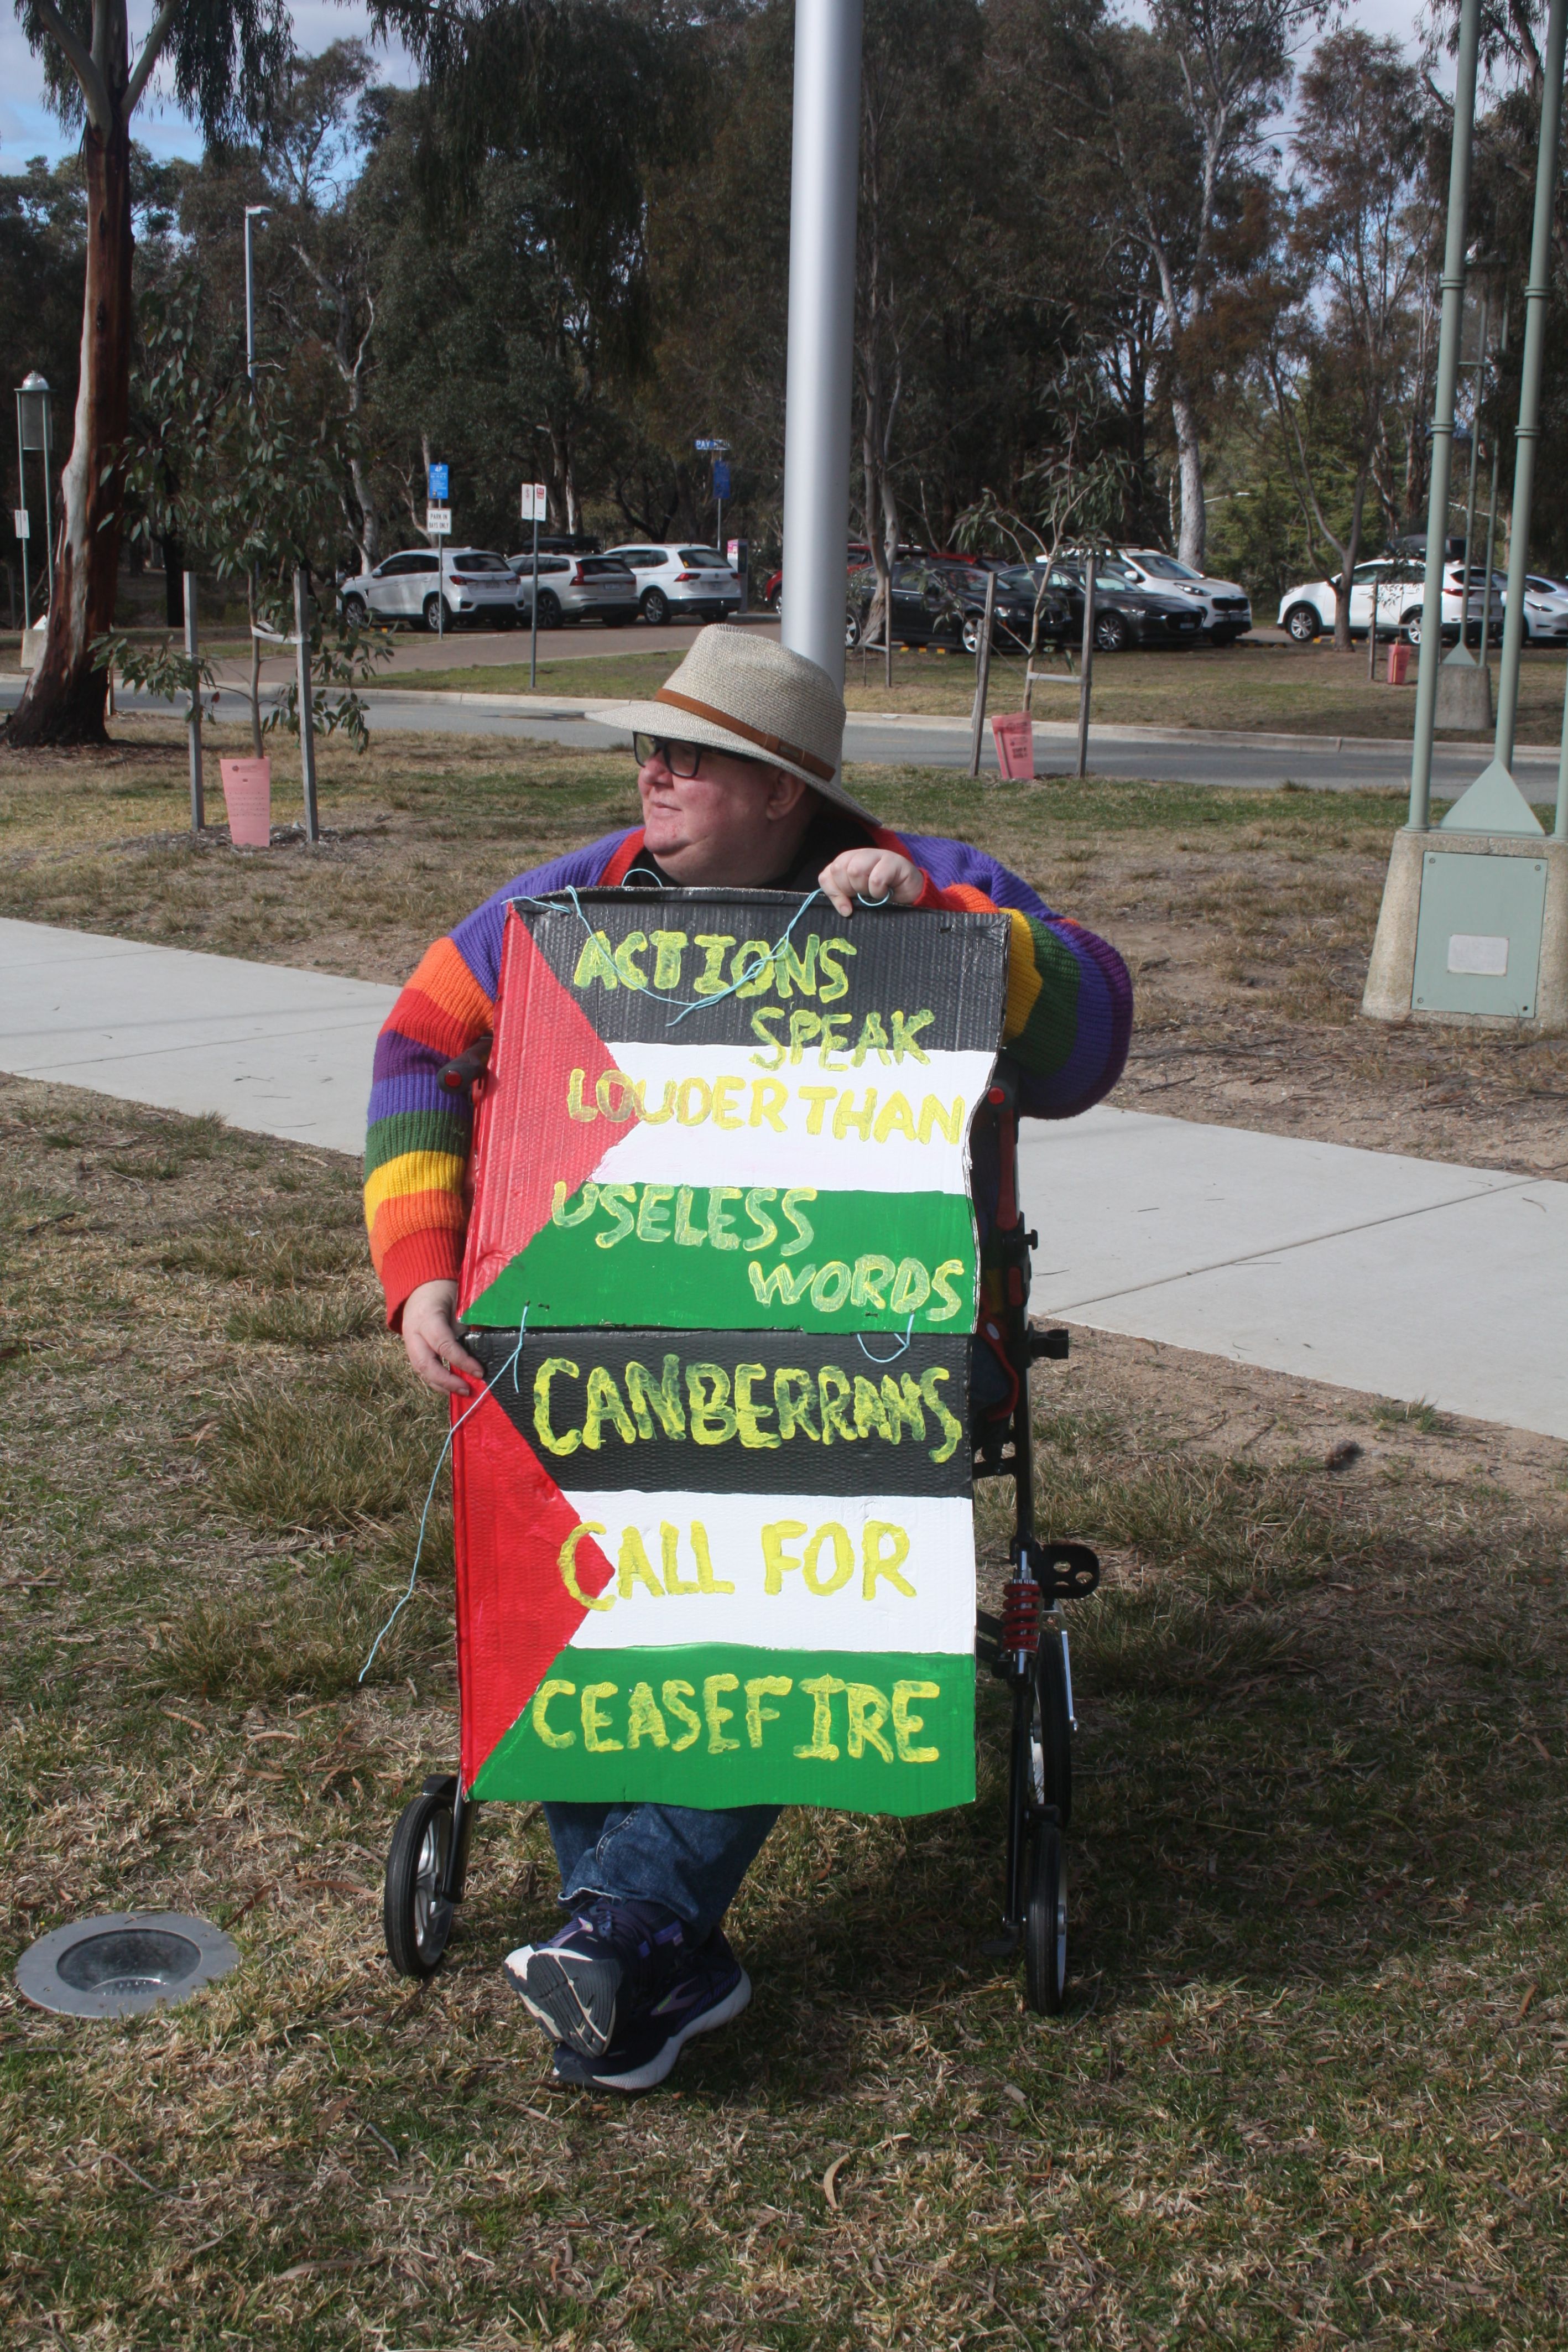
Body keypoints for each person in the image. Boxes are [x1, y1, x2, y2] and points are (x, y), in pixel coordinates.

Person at [364, 625, 1131, 2091]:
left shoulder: (922, 880)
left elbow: (1091, 1037)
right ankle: (641, 1941)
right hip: (589, 1351)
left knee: (789, 1524)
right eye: (645, 749)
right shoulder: (561, 908)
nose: (650, 773)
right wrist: (418, 1267)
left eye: (691, 756)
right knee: (579, 1568)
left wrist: (953, 922)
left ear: (782, 791)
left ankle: (632, 1926)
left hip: (863, 1362)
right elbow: (417, 1041)